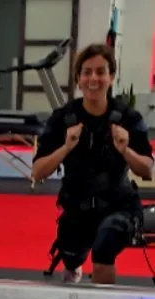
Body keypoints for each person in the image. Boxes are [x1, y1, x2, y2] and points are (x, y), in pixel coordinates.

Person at [32, 43, 154, 285]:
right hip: (78, 206)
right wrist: (66, 148)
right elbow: (38, 172)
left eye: (100, 72)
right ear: (78, 79)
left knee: (104, 246)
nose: (93, 79)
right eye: (87, 72)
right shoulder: (63, 118)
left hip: (119, 206)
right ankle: (73, 266)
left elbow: (146, 169)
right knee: (71, 255)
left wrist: (125, 150)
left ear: (111, 77)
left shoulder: (129, 118)